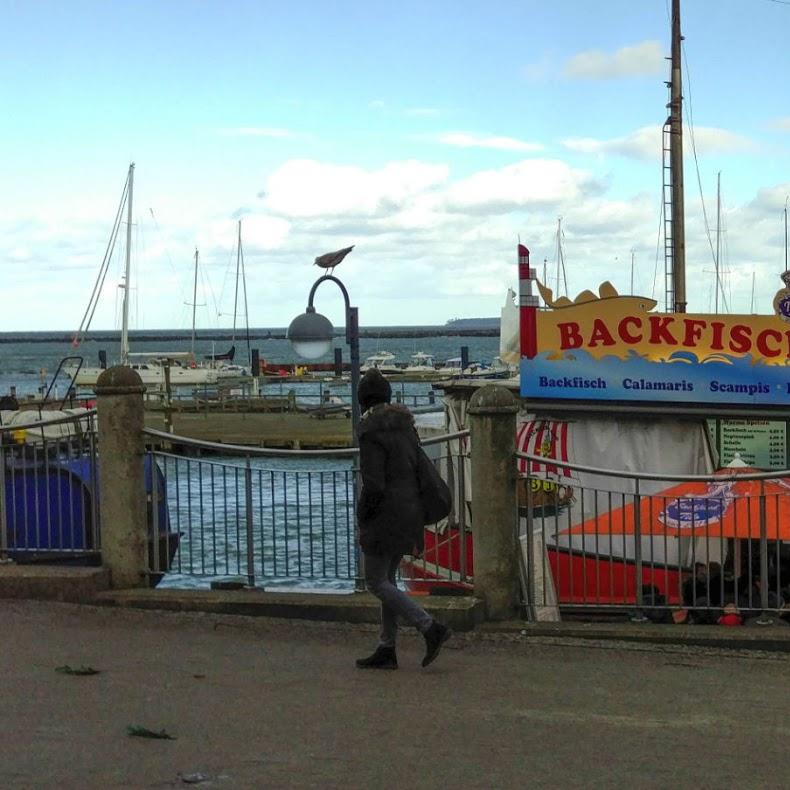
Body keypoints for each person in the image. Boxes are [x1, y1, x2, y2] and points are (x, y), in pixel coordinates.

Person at [354, 368, 452, 670]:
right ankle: (387, 647)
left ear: (362, 401)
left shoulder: (371, 432)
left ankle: (429, 627)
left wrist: (362, 515)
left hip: (385, 515)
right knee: (389, 580)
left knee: (375, 581)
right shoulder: (406, 427)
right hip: (410, 512)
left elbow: (374, 485)